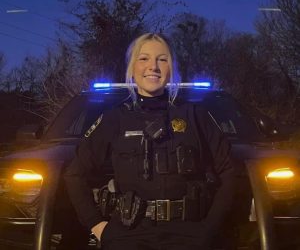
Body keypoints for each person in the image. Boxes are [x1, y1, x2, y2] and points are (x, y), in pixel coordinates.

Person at [64, 33, 235, 250]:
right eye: (144, 58)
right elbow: (74, 174)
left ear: (171, 68)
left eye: (162, 59)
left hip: (190, 233)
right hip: (128, 235)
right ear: (132, 67)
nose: (153, 66)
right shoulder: (114, 119)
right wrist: (97, 225)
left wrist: (210, 227)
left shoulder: (195, 115)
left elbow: (228, 171)